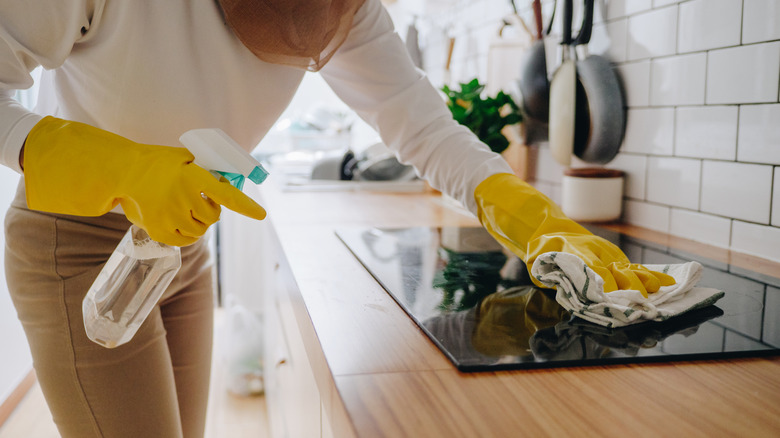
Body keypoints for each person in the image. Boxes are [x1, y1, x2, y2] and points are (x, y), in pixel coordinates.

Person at [0, 1, 674, 437]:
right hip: (76, 244)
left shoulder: (346, 12)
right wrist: (114, 167)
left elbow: (427, 132)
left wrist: (532, 216)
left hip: (180, 244)